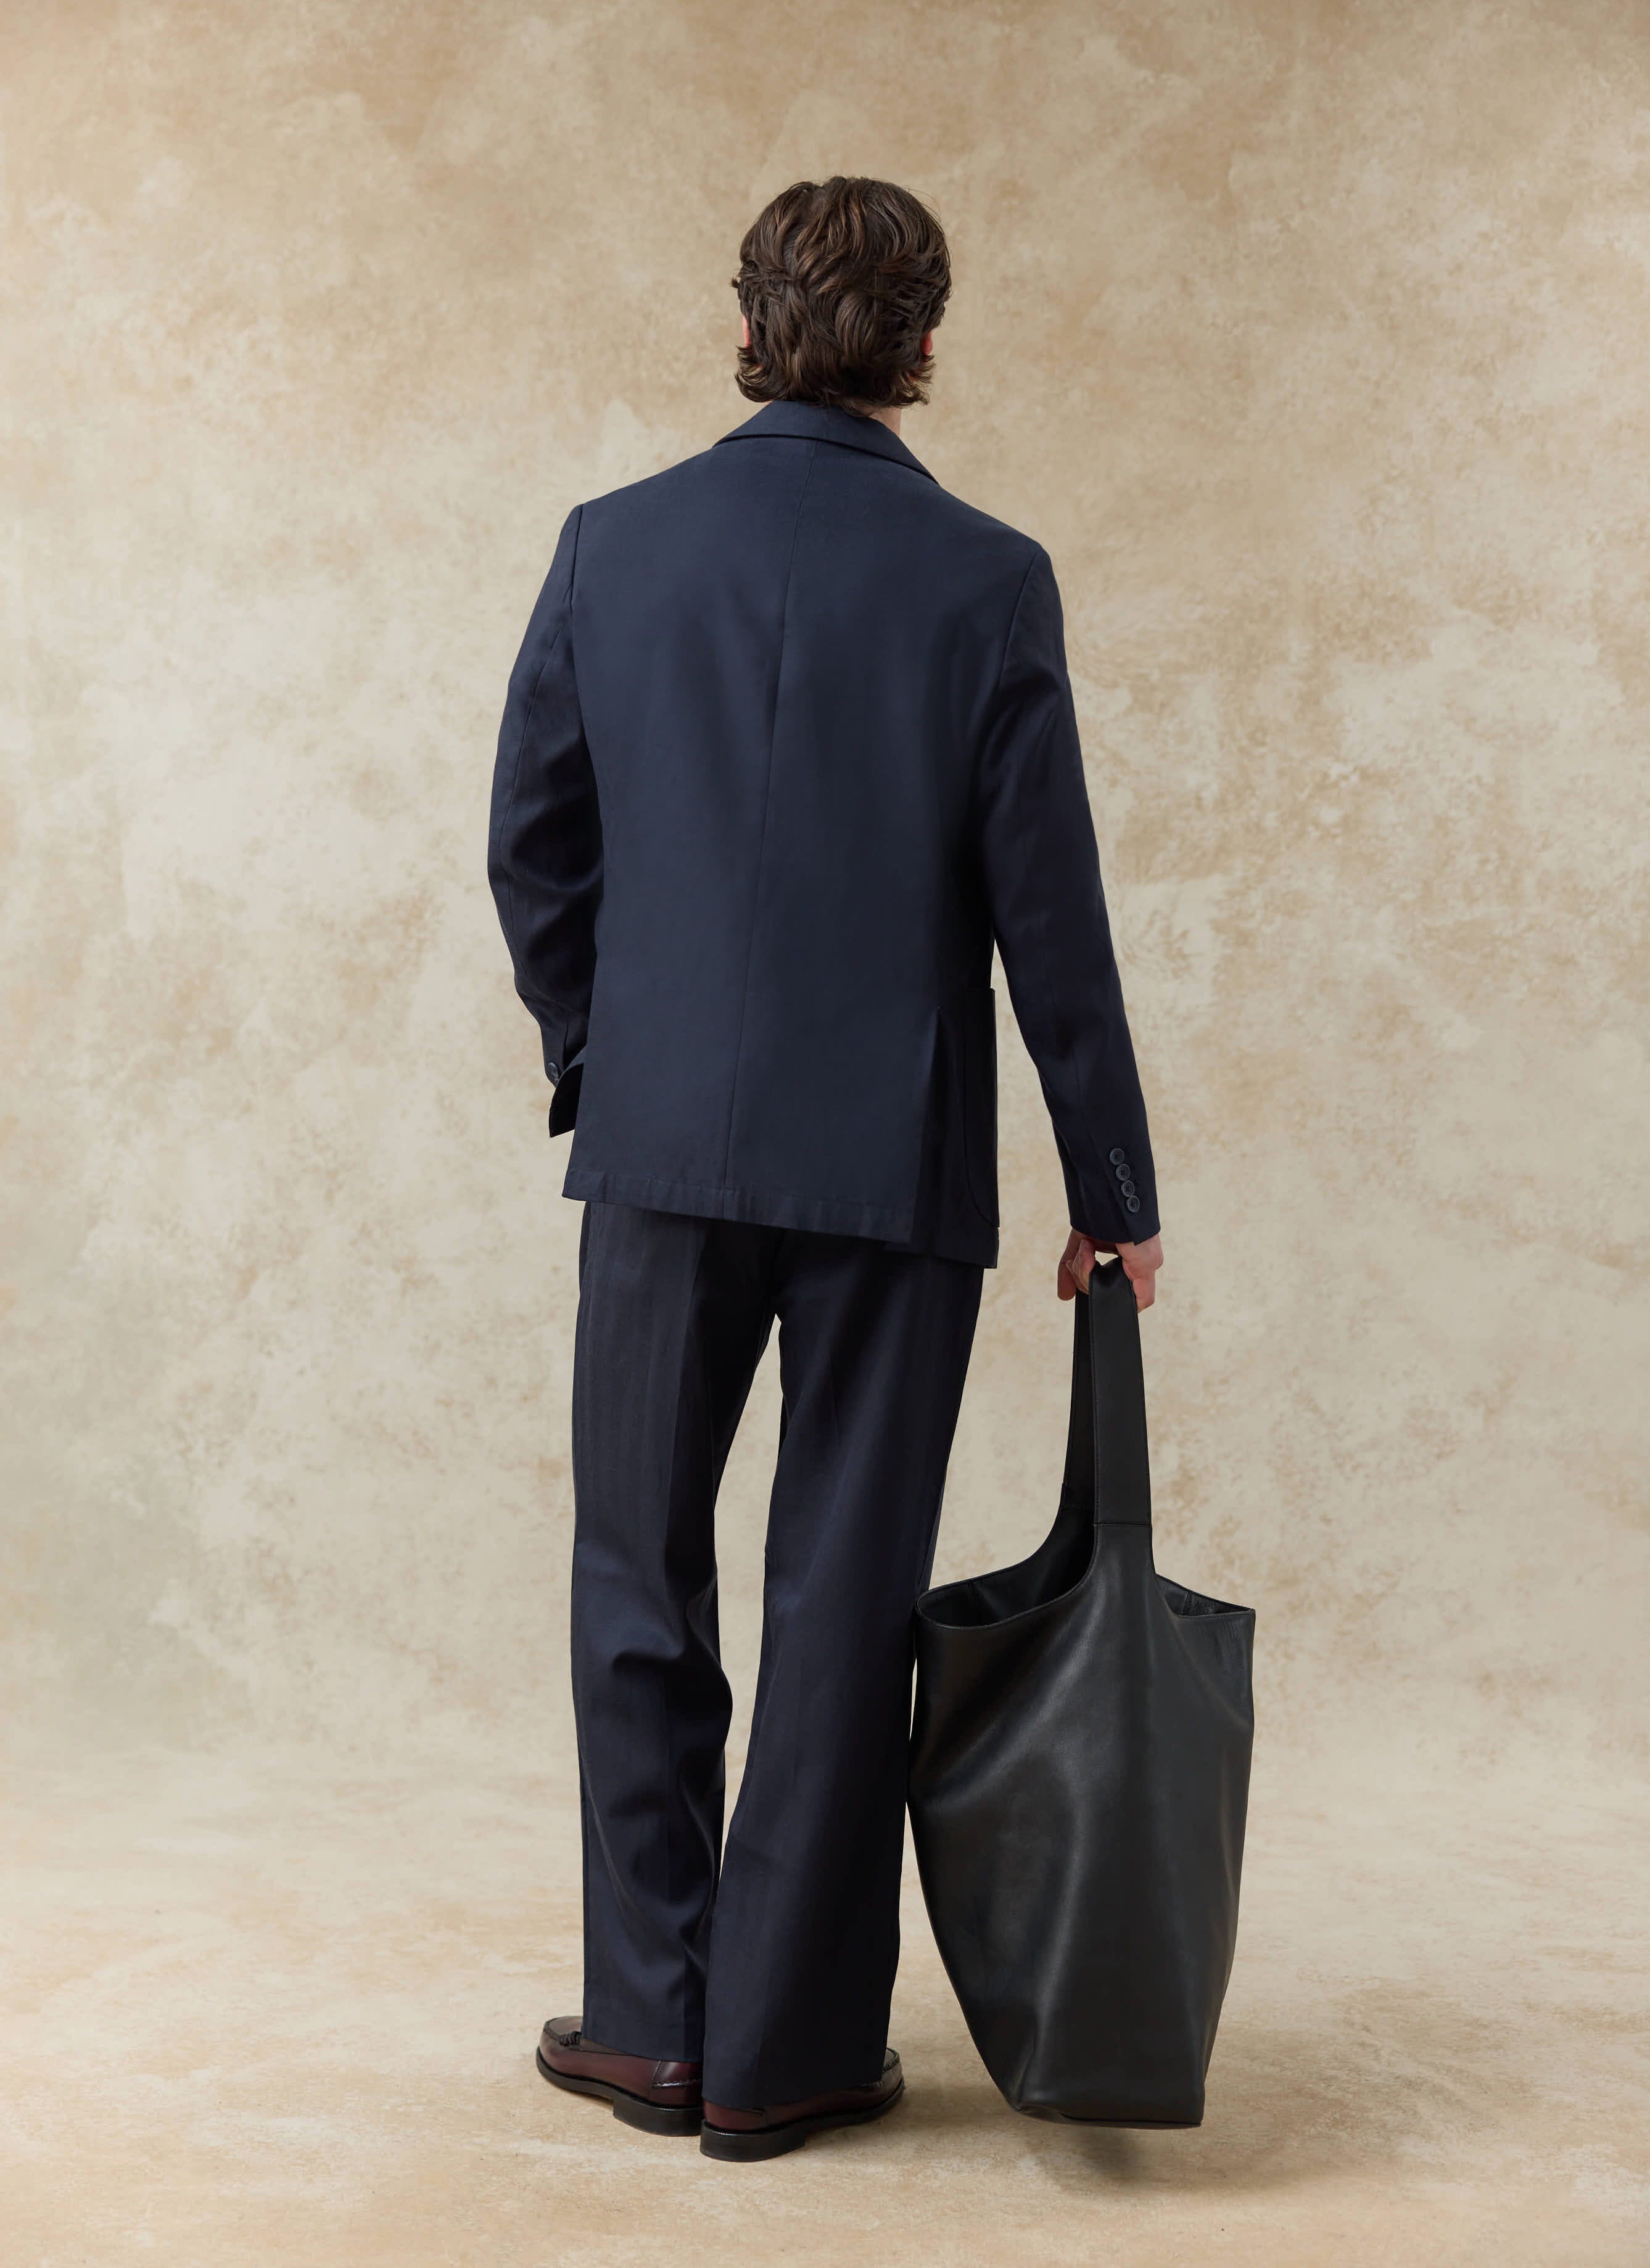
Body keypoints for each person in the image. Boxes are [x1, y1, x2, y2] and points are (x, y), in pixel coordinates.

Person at [487, 175, 1163, 2163]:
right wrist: (1106, 1181)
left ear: (749, 325)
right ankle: (782, 2056)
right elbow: (1053, 915)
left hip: (662, 1156)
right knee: (841, 1595)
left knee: (637, 1572)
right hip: (891, 1165)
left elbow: (535, 843)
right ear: (925, 344)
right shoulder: (986, 578)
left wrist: (602, 1054)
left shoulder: (615, 546)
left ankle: (647, 2026)